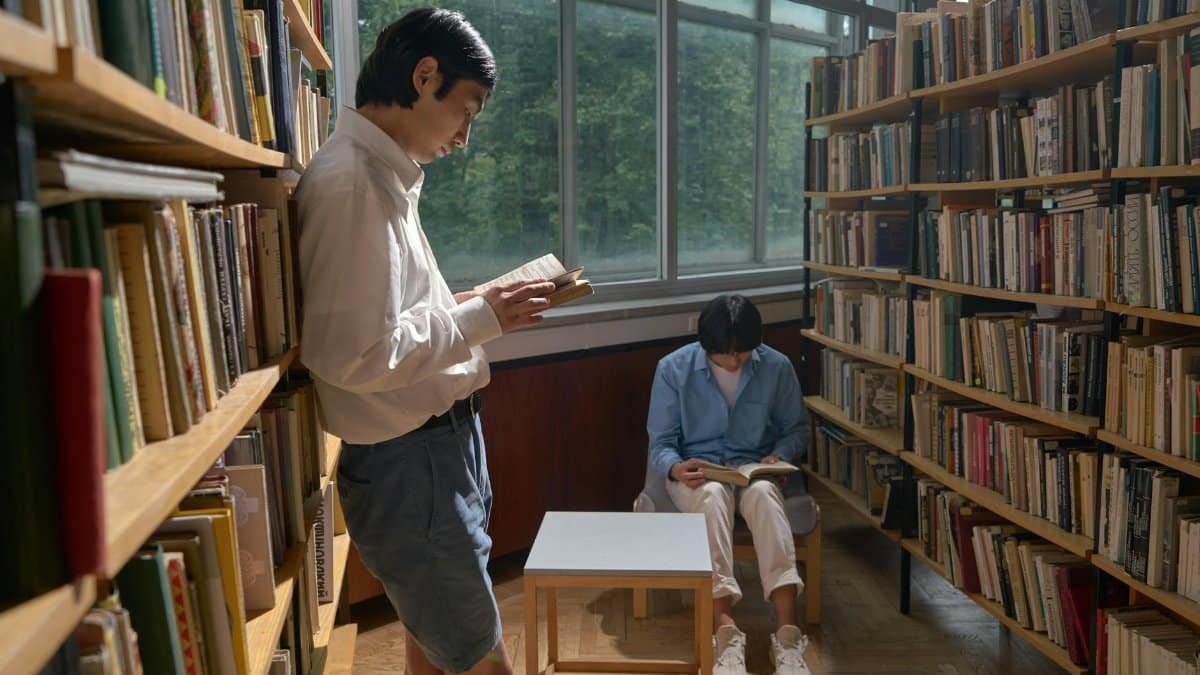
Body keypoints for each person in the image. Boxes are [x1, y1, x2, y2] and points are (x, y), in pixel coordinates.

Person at [296, 9, 554, 675]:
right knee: (476, 652)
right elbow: (350, 352)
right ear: (424, 75)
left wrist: (467, 306)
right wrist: (478, 319)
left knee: (437, 643)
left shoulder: (381, 176)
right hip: (411, 464)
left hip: (432, 454)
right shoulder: (354, 183)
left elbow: (386, 318)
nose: (466, 136)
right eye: (466, 110)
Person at [646, 294, 813, 675]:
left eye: (744, 352)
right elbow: (661, 443)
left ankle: (787, 634)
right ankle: (725, 632)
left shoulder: (777, 367)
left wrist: (779, 456)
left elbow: (797, 429)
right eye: (726, 354)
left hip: (755, 469)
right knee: (710, 498)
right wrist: (675, 468)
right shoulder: (673, 369)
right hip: (699, 473)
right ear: (707, 345)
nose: (735, 360)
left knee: (767, 499)